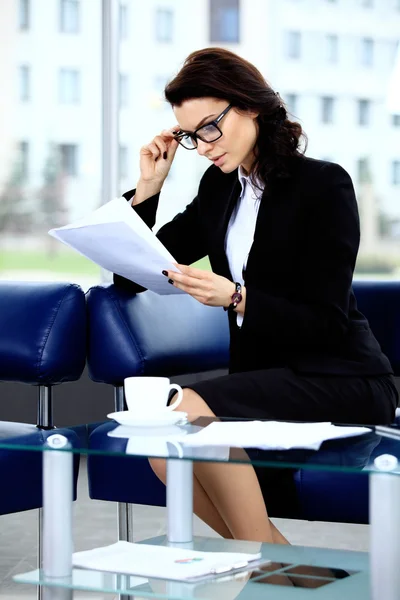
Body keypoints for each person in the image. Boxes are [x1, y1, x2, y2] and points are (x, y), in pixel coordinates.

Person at [114, 47, 398, 545]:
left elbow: (327, 322)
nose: (202, 146)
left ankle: (270, 579)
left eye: (210, 127)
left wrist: (238, 298)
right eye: (189, 135)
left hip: (343, 377)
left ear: (249, 106)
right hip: (266, 381)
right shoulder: (219, 189)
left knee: (179, 413)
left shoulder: (323, 185)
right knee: (160, 446)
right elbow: (133, 274)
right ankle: (294, 577)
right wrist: (148, 189)